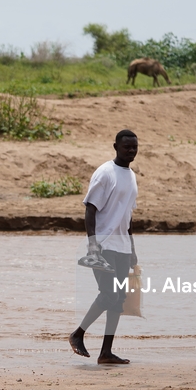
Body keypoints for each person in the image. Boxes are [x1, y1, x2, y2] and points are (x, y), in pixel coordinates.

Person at [69, 130, 139, 364]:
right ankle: (78, 334)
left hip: (121, 247)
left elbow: (127, 216)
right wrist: (93, 245)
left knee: (118, 301)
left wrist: (132, 248)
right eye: (126, 147)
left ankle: (105, 353)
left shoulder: (131, 176)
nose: (131, 151)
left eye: (134, 147)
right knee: (109, 294)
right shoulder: (105, 173)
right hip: (103, 245)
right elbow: (90, 208)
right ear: (115, 147)